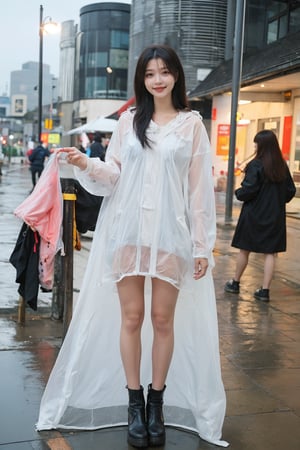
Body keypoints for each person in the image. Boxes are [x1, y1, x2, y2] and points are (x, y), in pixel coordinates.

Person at [36, 45, 228, 448]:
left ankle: (156, 403)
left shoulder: (192, 125)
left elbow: (198, 192)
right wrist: (85, 162)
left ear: (176, 75)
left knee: (162, 320)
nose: (157, 79)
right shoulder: (129, 122)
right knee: (131, 318)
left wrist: (201, 246)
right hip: (129, 234)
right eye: (149, 74)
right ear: (142, 80)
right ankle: (133, 401)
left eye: (164, 72)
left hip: (170, 236)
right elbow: (114, 175)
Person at [225, 130, 296, 302]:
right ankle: (265, 291)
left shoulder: (256, 165)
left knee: (245, 249)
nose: (255, 146)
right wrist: (277, 201)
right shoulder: (281, 165)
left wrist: (238, 192)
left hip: (253, 215)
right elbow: (290, 190)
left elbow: (249, 190)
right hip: (274, 216)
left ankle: (235, 283)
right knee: (270, 253)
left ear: (262, 146)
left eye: (256, 143)